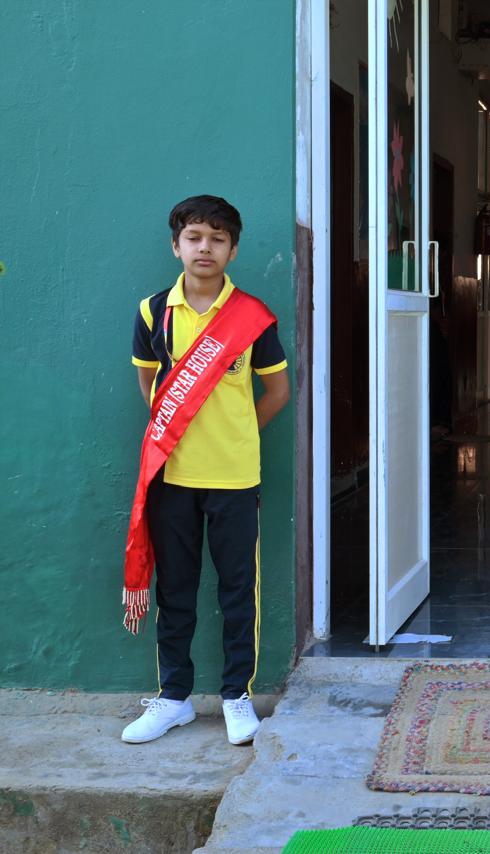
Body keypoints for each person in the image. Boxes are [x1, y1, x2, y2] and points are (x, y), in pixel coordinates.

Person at [122, 195, 290, 746]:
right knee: (176, 590)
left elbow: (277, 391)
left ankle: (237, 696)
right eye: (194, 237)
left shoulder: (253, 316)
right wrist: (180, 432)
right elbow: (150, 385)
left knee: (238, 591)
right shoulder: (154, 312)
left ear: (233, 250)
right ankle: (173, 699)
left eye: (218, 239)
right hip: (172, 477)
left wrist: (236, 433)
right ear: (176, 246)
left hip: (235, 479)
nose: (205, 248)